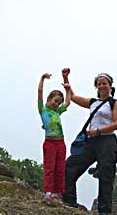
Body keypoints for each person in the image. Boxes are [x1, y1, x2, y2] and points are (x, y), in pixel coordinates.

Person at [61, 68, 117, 215]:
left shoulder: (114, 102)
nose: (101, 86)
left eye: (104, 83)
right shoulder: (93, 102)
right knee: (69, 166)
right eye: (99, 84)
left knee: (106, 176)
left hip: (107, 141)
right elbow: (73, 97)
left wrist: (99, 131)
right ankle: (69, 201)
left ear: (110, 85)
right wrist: (66, 79)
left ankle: (104, 211)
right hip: (91, 142)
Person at [37, 73, 71, 202]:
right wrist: (42, 79)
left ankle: (57, 193)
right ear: (49, 99)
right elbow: (39, 92)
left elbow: (68, 102)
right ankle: (48, 192)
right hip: (50, 142)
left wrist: (67, 89)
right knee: (49, 168)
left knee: (60, 169)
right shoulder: (43, 110)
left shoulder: (57, 111)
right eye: (55, 101)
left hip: (60, 142)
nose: (57, 104)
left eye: (59, 102)